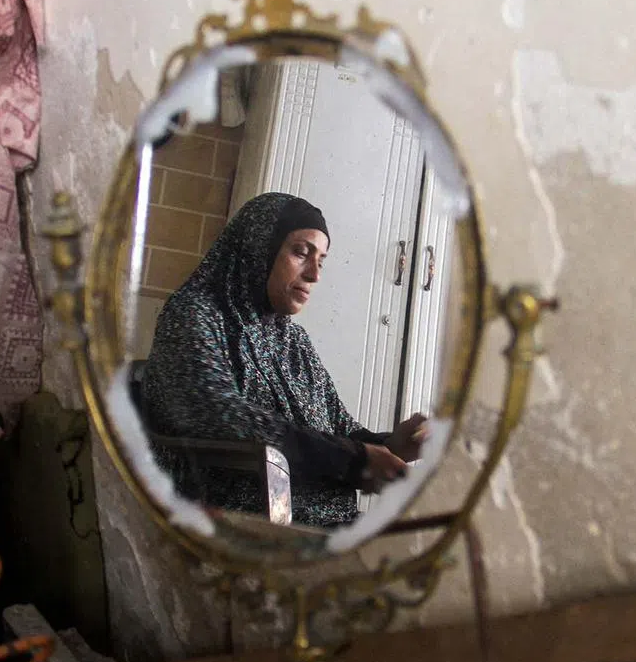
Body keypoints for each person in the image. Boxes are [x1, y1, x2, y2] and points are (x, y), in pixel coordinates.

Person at [141, 192, 427, 528]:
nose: (314, 275)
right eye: (301, 253)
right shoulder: (195, 316)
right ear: (257, 248)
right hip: (251, 522)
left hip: (324, 519)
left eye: (321, 260)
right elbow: (223, 419)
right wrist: (352, 460)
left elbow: (339, 428)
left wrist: (390, 445)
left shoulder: (292, 341)